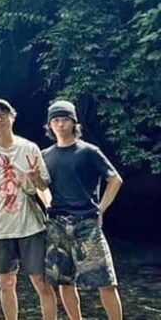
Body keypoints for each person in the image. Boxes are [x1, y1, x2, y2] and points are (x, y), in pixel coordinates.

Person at [0, 98, 57, 320]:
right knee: (5, 282)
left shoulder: (29, 148)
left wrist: (35, 178)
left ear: (13, 117)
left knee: (41, 281)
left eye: (4, 114)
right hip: (0, 227)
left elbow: (44, 188)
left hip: (31, 226)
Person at [42, 100, 123, 320]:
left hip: (86, 222)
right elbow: (41, 186)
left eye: (64, 120)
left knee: (106, 282)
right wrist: (43, 196)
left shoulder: (88, 151)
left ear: (74, 123)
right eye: (55, 120)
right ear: (49, 125)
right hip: (57, 224)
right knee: (64, 282)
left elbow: (115, 179)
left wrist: (101, 209)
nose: (60, 124)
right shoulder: (45, 155)